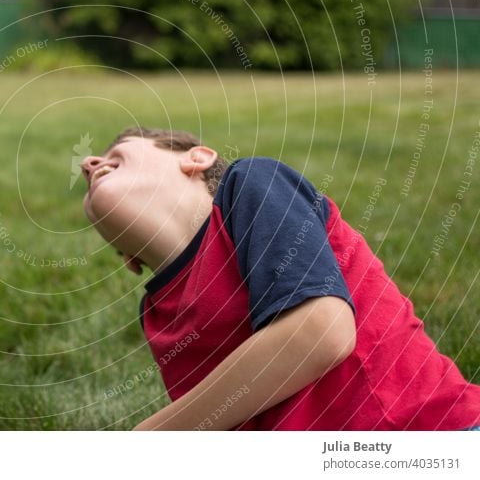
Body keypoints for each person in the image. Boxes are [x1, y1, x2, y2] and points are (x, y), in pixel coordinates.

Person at [80, 126, 480, 430]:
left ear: (196, 158)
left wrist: (151, 436)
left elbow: (321, 331)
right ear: (130, 259)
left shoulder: (250, 185)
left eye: (116, 152)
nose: (88, 164)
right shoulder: (157, 317)